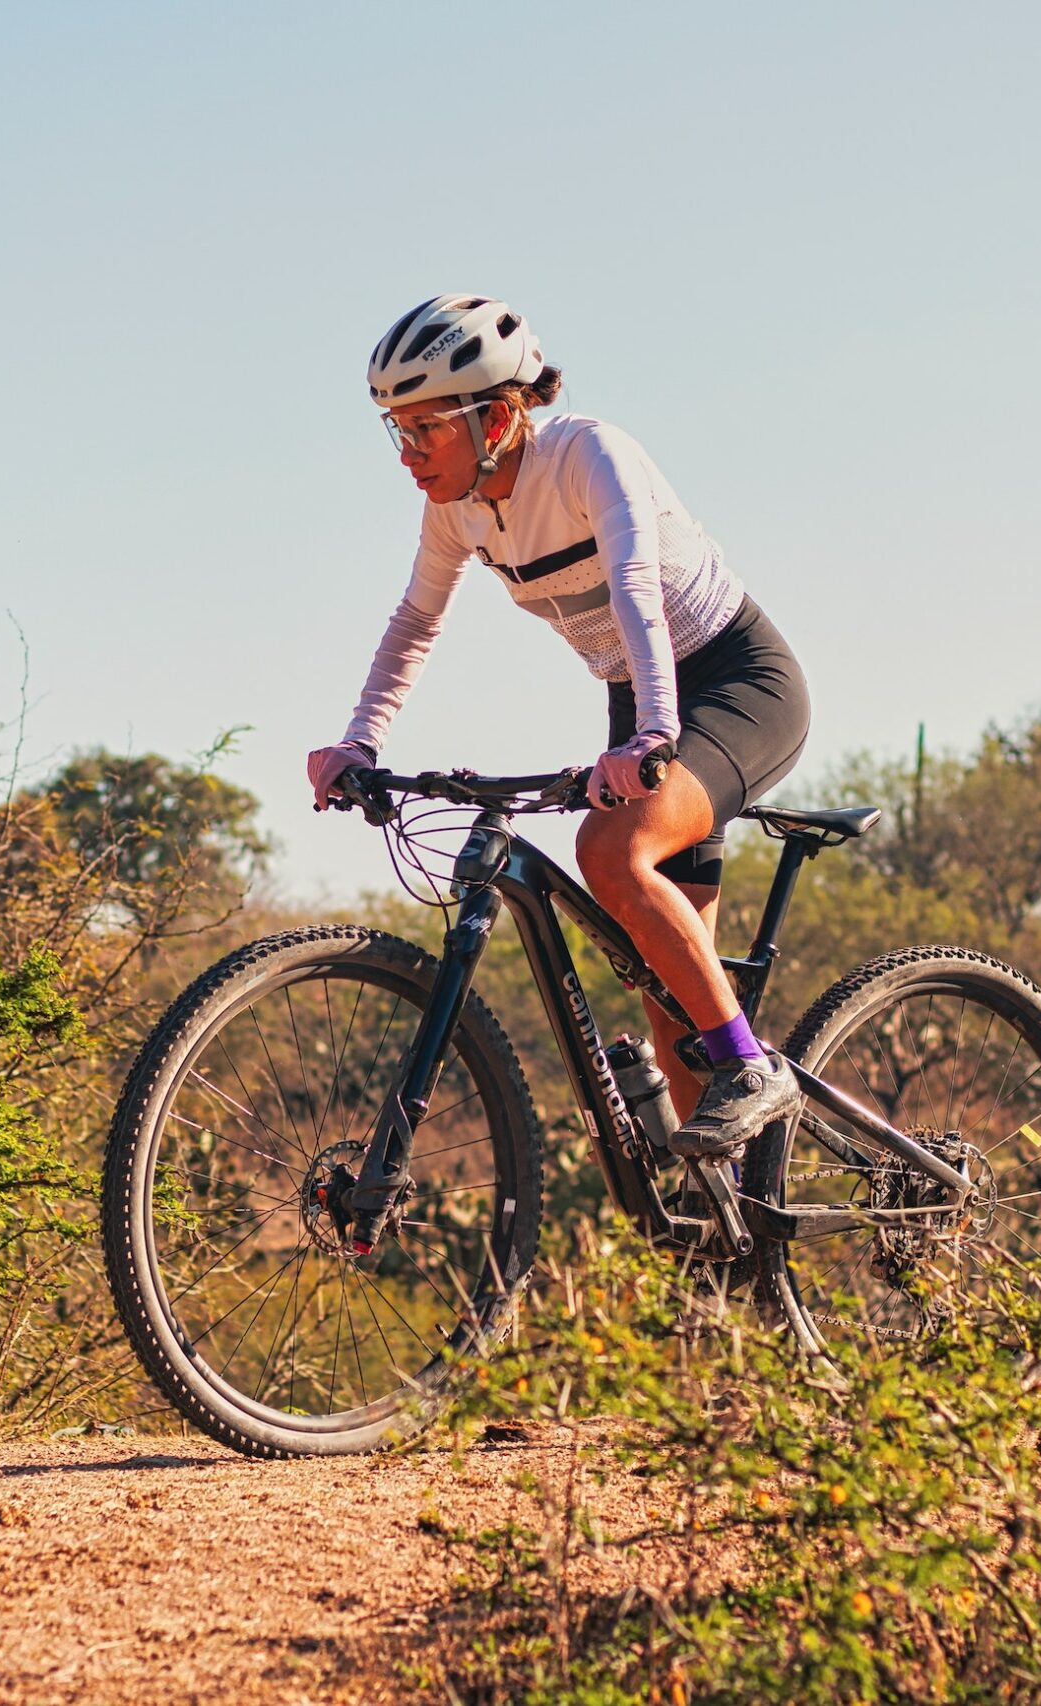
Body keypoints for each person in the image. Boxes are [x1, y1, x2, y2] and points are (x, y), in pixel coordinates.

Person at [308, 294, 812, 1159]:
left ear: (498, 416)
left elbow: (635, 591)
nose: (408, 455)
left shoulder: (589, 456)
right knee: (667, 994)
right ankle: (721, 1244)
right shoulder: (458, 509)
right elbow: (415, 624)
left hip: (735, 683)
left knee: (609, 853)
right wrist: (360, 741)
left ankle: (754, 1069)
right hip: (640, 702)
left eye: (425, 428)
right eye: (397, 430)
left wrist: (654, 734)